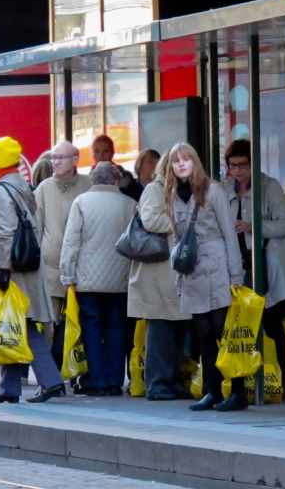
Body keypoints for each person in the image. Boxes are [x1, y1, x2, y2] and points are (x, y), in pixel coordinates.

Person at [0, 136, 66, 404]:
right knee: (9, 325)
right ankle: (9, 388)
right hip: (24, 268)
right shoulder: (19, 184)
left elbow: (6, 232)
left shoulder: (1, 190)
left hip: (10, 270)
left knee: (20, 325)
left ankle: (50, 382)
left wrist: (4, 269)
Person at [169, 143, 245, 412]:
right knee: (204, 335)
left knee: (222, 333)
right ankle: (213, 391)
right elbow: (177, 240)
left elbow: (229, 235)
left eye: (186, 159)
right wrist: (179, 276)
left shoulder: (214, 191)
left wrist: (236, 274)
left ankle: (238, 392)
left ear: (195, 162)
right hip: (192, 270)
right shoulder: (172, 195)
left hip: (216, 267)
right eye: (176, 160)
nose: (181, 164)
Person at [223, 139, 285, 392]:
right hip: (234, 261)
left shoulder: (269, 186)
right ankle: (243, 376)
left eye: (242, 165)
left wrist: (252, 227)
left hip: (264, 260)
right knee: (238, 319)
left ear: (253, 164)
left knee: (270, 317)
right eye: (232, 166)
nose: (237, 171)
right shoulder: (224, 188)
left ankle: (279, 376)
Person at [59, 161, 136, 397]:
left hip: (88, 279)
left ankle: (96, 380)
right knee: (117, 327)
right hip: (121, 278)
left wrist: (67, 274)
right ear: (116, 180)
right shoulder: (130, 204)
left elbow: (71, 242)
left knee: (91, 327)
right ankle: (114, 381)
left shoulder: (81, 202)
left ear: (93, 179)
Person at [130, 145, 197, 400]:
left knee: (178, 327)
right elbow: (150, 220)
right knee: (160, 328)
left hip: (176, 267)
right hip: (158, 268)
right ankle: (158, 384)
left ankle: (172, 380)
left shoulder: (187, 189)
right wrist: (183, 223)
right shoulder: (156, 188)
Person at [35, 141, 93, 358]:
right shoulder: (44, 188)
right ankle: (50, 371)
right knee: (49, 326)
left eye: (61, 157)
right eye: (54, 158)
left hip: (84, 268)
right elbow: (36, 228)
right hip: (51, 269)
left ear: (75, 160)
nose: (56, 162)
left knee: (82, 324)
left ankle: (78, 368)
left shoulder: (89, 184)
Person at [92, 135, 140, 200]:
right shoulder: (88, 177)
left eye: (106, 151)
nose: (101, 155)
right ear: (92, 153)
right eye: (97, 151)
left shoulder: (124, 176)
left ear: (112, 153)